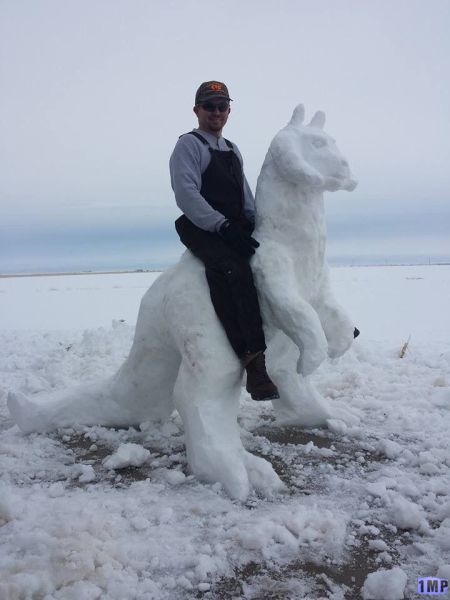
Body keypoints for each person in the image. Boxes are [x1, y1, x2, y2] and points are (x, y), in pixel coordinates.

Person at [169, 81, 279, 401]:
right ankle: (253, 362)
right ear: (197, 110)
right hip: (200, 226)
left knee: (275, 259)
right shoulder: (188, 146)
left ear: (229, 111)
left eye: (222, 106)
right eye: (209, 106)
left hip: (233, 225)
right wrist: (222, 225)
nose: (216, 112)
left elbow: (244, 194)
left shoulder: (231, 149)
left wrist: (255, 223)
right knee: (234, 269)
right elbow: (186, 194)